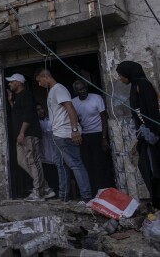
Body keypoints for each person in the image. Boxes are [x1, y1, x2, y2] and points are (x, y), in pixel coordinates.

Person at [34, 68, 92, 203]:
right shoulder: (53, 91)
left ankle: (86, 197)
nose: (39, 84)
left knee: (75, 164)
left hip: (66, 134)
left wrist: (75, 130)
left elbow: (70, 107)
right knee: (60, 165)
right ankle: (64, 197)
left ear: (45, 77)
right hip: (58, 134)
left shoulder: (59, 89)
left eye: (39, 81)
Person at [116, 61, 160, 209]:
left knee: (154, 170)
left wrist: (151, 133)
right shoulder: (136, 85)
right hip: (145, 135)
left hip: (151, 136)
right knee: (147, 169)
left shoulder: (143, 85)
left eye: (121, 75)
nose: (120, 79)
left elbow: (151, 111)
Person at [6, 74, 55, 201]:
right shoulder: (18, 97)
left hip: (29, 134)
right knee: (22, 161)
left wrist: (22, 132)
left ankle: (38, 192)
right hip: (21, 136)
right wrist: (11, 101)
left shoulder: (27, 95)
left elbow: (28, 116)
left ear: (19, 82)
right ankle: (46, 188)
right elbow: (18, 114)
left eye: (11, 82)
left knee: (34, 161)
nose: (9, 84)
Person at [72, 80, 115, 194]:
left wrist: (104, 138)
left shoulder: (96, 98)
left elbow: (104, 118)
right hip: (85, 136)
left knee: (100, 164)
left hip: (99, 134)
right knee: (88, 164)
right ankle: (94, 192)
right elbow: (74, 119)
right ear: (76, 91)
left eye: (84, 88)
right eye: (79, 90)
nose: (83, 91)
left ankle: (105, 190)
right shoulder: (74, 102)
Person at [36, 103, 59, 193]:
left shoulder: (50, 121)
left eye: (41, 109)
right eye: (37, 110)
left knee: (55, 175)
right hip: (43, 155)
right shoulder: (36, 124)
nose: (41, 111)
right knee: (47, 174)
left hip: (53, 154)